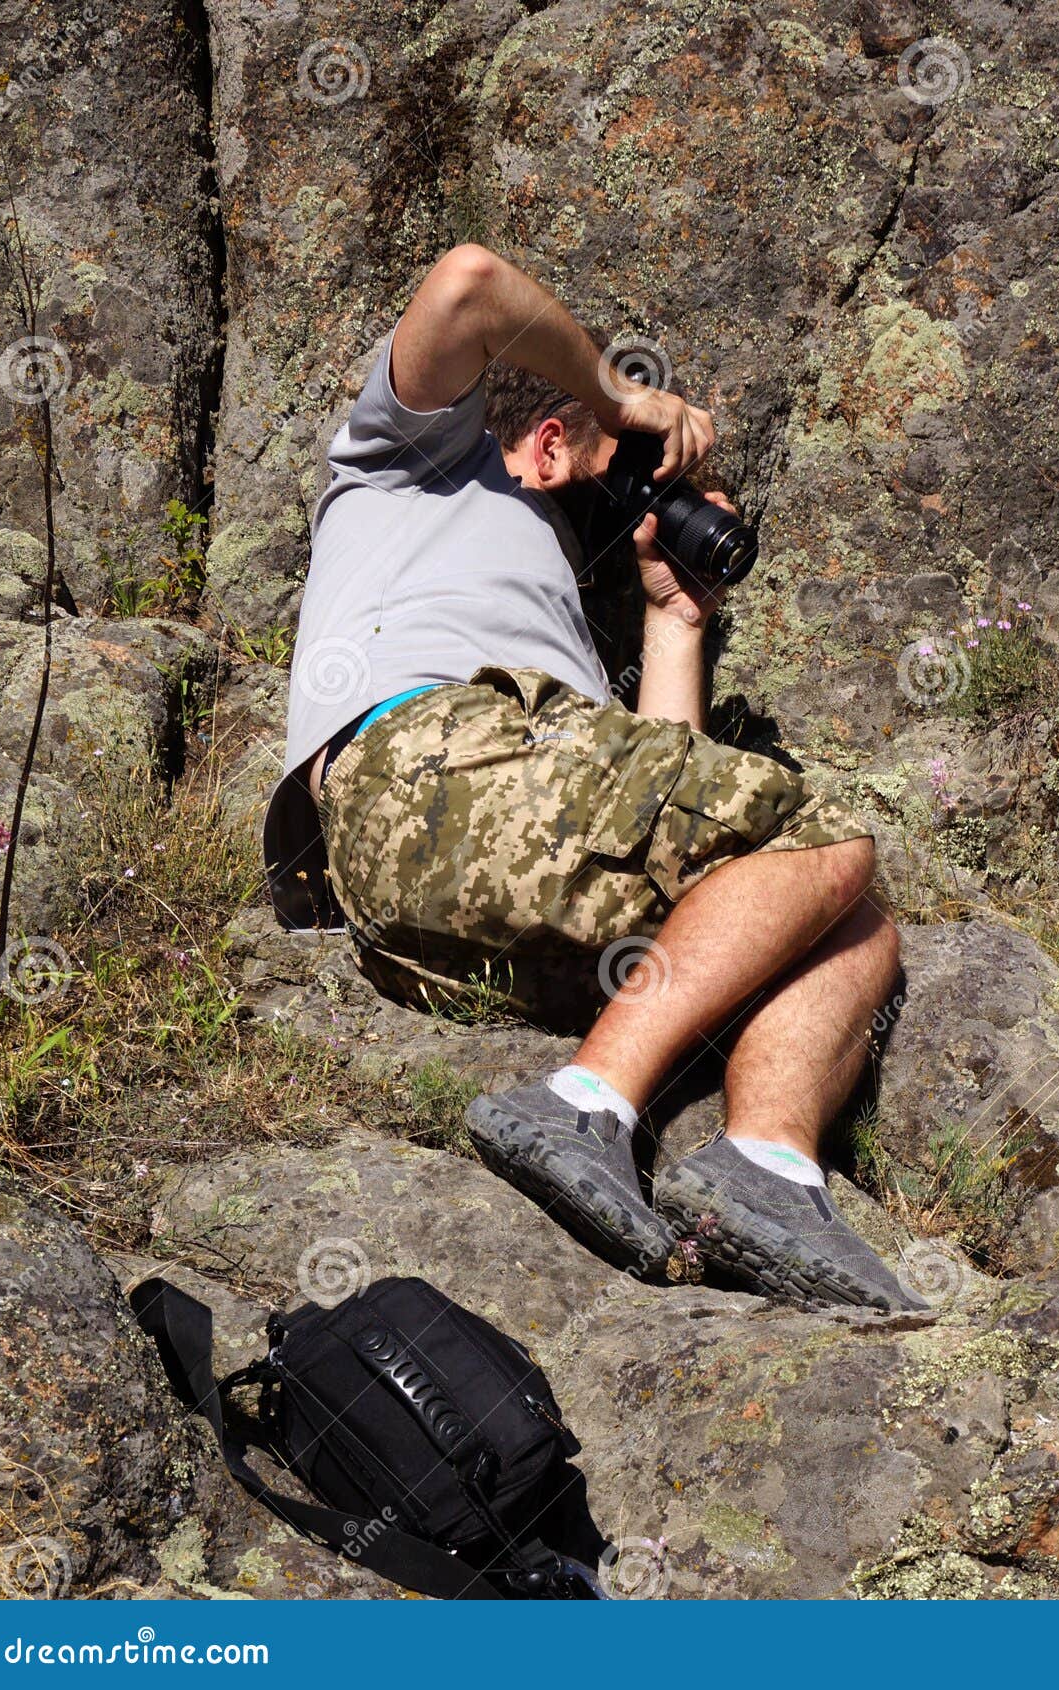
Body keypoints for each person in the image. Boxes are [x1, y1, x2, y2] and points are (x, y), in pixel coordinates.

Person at [262, 244, 919, 1311]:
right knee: (823, 821)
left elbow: (677, 807)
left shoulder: (561, 618)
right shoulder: (413, 458)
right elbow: (468, 281)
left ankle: (766, 1170)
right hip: (423, 761)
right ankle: (585, 1102)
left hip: (446, 907)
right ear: (552, 438)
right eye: (620, 463)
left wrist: (671, 619)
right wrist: (620, 393)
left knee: (852, 924)